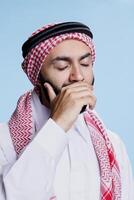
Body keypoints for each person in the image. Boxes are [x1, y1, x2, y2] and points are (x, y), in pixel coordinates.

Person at [0, 22, 133, 200]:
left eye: (85, 64)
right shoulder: (4, 141)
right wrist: (58, 124)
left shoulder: (113, 144)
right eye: (63, 67)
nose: (78, 76)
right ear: (38, 79)